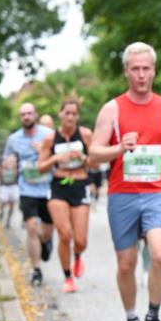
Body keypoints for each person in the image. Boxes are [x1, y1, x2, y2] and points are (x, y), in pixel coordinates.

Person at [88, 42, 161, 321]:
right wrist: (119, 148)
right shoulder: (112, 109)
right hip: (123, 194)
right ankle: (132, 320)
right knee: (126, 264)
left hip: (158, 191)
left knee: (160, 254)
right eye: (135, 69)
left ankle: (153, 316)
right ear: (126, 72)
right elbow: (94, 153)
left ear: (154, 71)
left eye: (146, 69)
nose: (141, 75)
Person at [37, 98, 93, 293]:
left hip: (80, 185)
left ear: (78, 116)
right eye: (67, 113)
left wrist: (83, 158)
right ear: (60, 114)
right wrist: (55, 158)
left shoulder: (85, 135)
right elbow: (40, 167)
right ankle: (68, 277)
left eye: (74, 114)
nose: (70, 117)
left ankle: (77, 255)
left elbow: (96, 163)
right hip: (59, 186)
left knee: (81, 240)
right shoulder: (50, 138)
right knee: (64, 234)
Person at [3, 103, 55, 287]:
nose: (26, 117)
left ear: (35, 115)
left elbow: (60, 157)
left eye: (29, 113)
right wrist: (8, 163)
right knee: (32, 227)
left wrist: (44, 150)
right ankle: (36, 270)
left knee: (47, 230)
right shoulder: (13, 139)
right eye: (23, 114)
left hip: (48, 188)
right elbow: (6, 160)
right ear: (20, 117)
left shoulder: (48, 135)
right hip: (27, 189)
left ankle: (46, 241)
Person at [0, 154, 19, 227]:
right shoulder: (1, 168)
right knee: (3, 201)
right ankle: (2, 211)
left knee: (12, 204)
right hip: (4, 187)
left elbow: (15, 176)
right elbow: (1, 176)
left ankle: (8, 220)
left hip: (13, 187)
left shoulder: (15, 167)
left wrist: (13, 166)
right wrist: (4, 167)